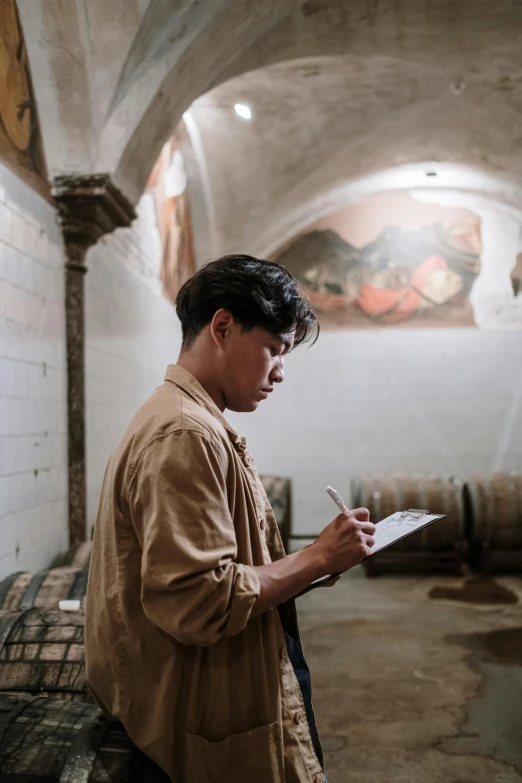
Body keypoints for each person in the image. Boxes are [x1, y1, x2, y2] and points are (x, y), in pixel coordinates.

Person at [85, 255, 376, 783]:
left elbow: (236, 564)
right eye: (274, 349)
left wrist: (321, 559)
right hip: (192, 706)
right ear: (222, 327)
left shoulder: (192, 418)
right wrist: (318, 556)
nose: (280, 371)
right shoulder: (184, 433)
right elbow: (202, 601)